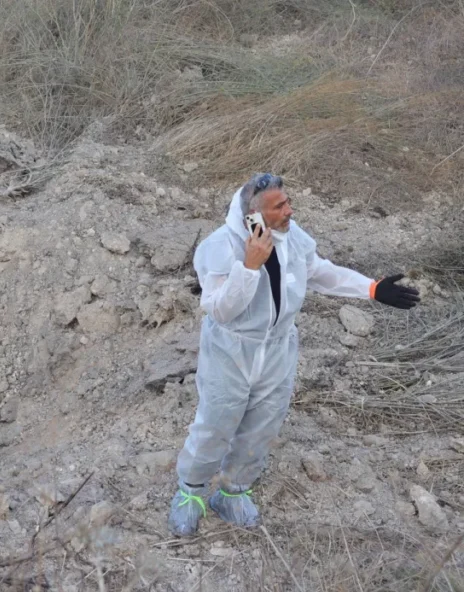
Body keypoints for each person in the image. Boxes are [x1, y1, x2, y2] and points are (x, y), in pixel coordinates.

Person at [168, 173, 420, 536]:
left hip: (277, 349)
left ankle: (233, 492)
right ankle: (190, 494)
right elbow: (221, 310)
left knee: (263, 423)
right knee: (216, 422)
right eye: (280, 206)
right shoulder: (219, 247)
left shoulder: (292, 237)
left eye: (287, 202)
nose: (290, 210)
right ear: (253, 217)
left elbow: (318, 272)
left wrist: (371, 288)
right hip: (231, 350)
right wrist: (251, 265)